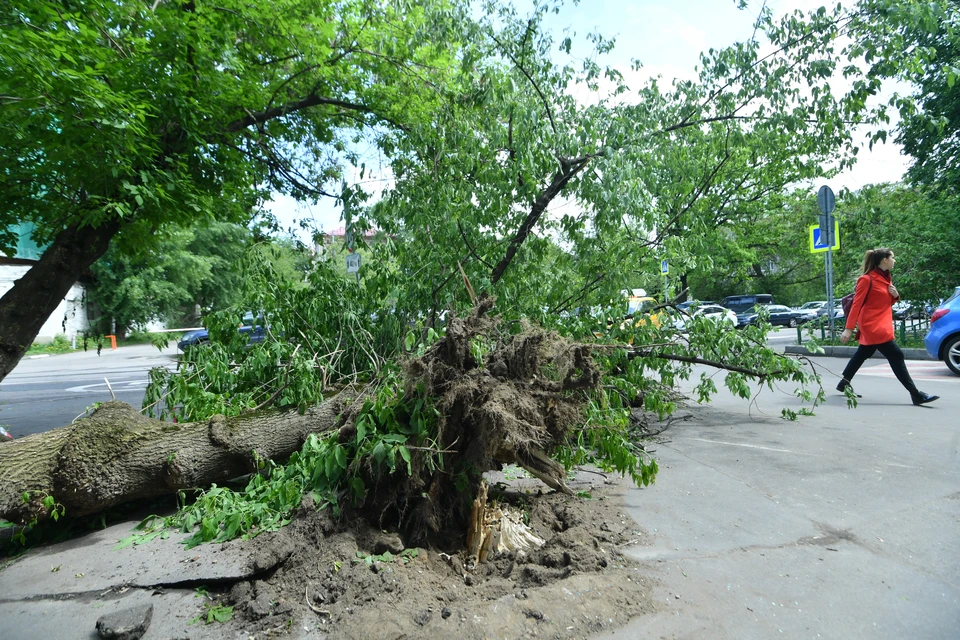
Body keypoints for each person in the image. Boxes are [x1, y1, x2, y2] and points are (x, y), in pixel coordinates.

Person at [837, 248, 939, 406]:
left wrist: (895, 296)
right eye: (892, 257)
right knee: (896, 355)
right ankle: (916, 394)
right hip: (873, 325)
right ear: (884, 260)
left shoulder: (885, 278)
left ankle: (843, 383)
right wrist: (849, 328)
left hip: (881, 322)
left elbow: (883, 302)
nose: (894, 260)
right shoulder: (866, 279)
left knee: (863, 352)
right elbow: (856, 306)